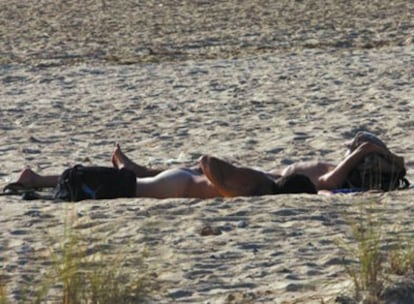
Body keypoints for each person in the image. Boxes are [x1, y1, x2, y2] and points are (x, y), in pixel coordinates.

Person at [4, 135, 404, 198]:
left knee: (139, 180)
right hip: (186, 181)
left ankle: (37, 180)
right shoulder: (269, 185)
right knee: (142, 178)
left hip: (185, 181)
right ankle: (36, 180)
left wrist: (364, 152)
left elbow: (330, 184)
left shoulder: (323, 183)